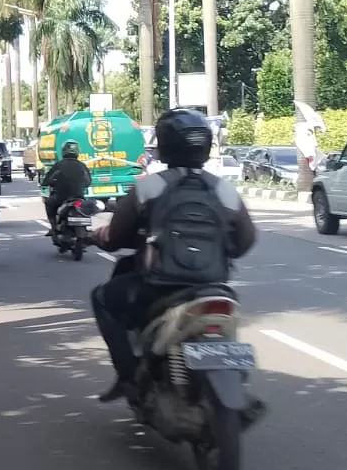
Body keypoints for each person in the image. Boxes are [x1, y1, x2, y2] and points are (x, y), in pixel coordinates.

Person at [91, 108, 257, 402]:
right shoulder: (223, 189)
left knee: (102, 298)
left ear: (164, 144)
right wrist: (221, 249)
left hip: (157, 286)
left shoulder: (149, 186)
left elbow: (116, 237)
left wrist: (100, 237)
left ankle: (127, 375)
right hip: (212, 285)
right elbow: (245, 240)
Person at [44, 141, 92, 236]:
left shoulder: (58, 165)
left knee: (48, 203)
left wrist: (53, 182)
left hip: (61, 197)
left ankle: (53, 227)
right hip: (79, 197)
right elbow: (88, 182)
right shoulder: (82, 165)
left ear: (63, 152)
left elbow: (46, 181)